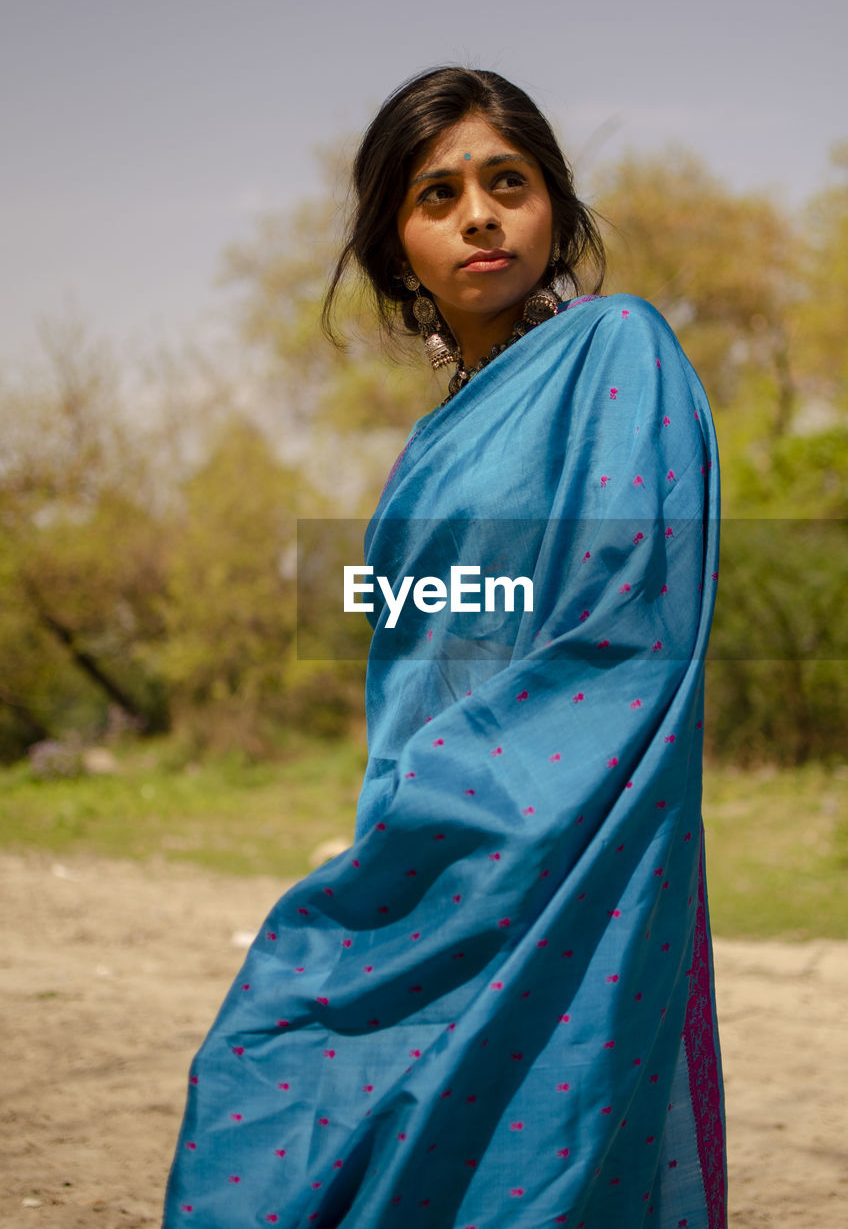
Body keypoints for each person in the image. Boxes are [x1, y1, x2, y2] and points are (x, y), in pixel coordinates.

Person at [162, 68, 726, 1229]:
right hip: (421, 843)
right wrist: (400, 828)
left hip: (562, 835)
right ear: (396, 244)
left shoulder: (617, 352)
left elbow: (629, 623)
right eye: (436, 193)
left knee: (531, 1143)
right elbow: (417, 666)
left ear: (554, 213)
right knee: (275, 1083)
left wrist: (464, 802)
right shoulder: (426, 452)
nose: (477, 214)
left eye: (505, 183)